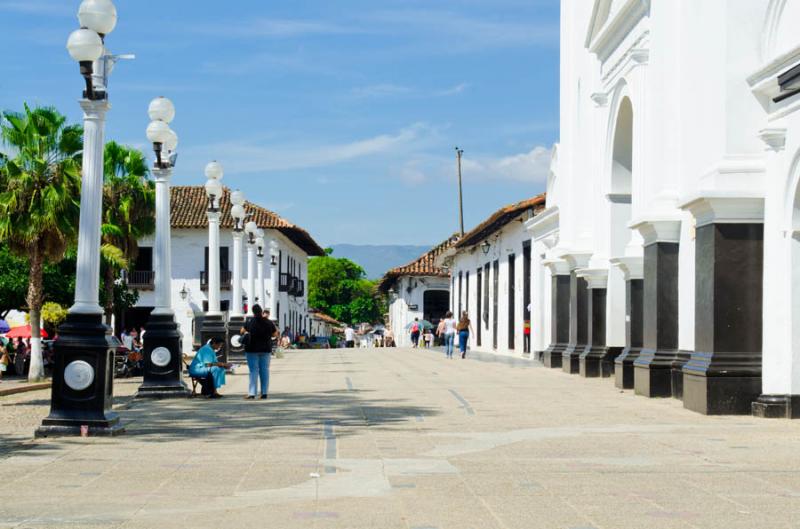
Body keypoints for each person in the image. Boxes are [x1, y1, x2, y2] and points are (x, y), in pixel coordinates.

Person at [240, 305, 279, 400]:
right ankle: (264, 393)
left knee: (253, 371)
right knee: (264, 370)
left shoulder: (250, 321)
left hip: (252, 349)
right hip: (266, 349)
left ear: (253, 312)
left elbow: (242, 331)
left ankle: (252, 393)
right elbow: (275, 334)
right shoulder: (269, 322)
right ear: (261, 311)